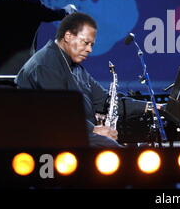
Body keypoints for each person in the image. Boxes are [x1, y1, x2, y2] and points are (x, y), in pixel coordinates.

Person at [15, 12, 150, 147]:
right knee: (116, 152)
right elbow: (59, 114)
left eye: (91, 45)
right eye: (86, 43)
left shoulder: (76, 67)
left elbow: (104, 100)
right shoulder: (45, 64)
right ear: (68, 36)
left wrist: (150, 107)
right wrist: (94, 130)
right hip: (52, 139)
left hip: (77, 134)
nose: (89, 49)